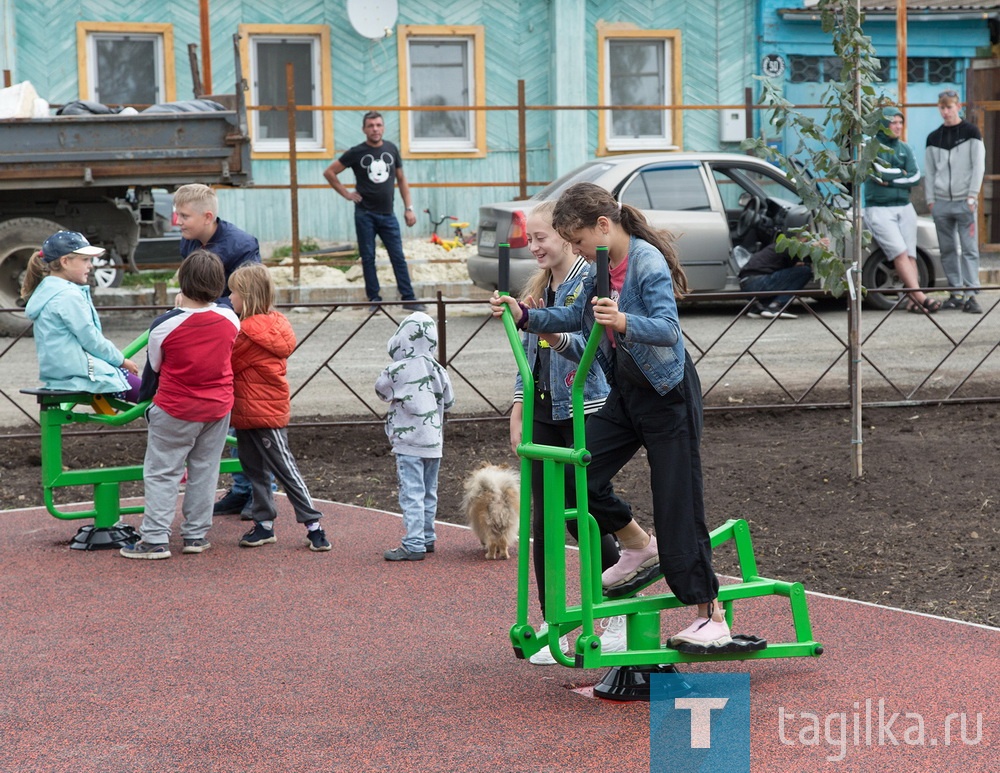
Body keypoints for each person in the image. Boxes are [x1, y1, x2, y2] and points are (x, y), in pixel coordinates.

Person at [490, 182, 742, 653]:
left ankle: (713, 616)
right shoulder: (597, 272)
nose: (579, 251)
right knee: (573, 474)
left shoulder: (645, 262)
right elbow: (572, 318)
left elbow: (668, 331)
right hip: (627, 394)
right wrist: (524, 315)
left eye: (580, 241)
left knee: (677, 505)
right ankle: (637, 546)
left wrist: (622, 321)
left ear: (603, 227)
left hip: (668, 396)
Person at [508, 201, 626, 664]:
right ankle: (552, 619)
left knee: (583, 514)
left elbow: (591, 351)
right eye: (530, 239)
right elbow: (528, 355)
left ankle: (615, 611)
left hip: (580, 407)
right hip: (542, 409)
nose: (534, 246)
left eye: (542, 237)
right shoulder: (540, 287)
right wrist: (518, 406)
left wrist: (551, 333)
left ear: (564, 235)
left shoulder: (585, 285)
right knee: (544, 519)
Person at [120, 250, 240, 559]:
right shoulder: (229, 319)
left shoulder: (163, 326)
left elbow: (155, 367)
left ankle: (155, 538)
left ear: (182, 282)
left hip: (176, 408)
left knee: (163, 471)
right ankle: (196, 535)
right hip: (217, 406)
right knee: (205, 469)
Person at [173, 183, 265, 516]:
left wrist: (202, 304)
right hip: (208, 332)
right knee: (226, 414)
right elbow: (191, 280)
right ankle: (240, 489)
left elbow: (250, 293)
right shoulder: (190, 240)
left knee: (247, 414)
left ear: (207, 216)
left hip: (238, 334)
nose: (178, 222)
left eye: (184, 215)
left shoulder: (240, 245)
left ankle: (258, 492)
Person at [228, 264, 331, 553]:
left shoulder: (247, 333)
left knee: (284, 469)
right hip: (250, 410)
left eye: (233, 292)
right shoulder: (273, 324)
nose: (229, 297)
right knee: (254, 469)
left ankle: (314, 526)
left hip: (262, 413)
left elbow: (227, 360)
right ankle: (264, 524)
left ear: (246, 296)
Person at [323, 111, 425, 312]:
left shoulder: (391, 149)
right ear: (364, 129)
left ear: (383, 127)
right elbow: (330, 172)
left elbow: (402, 179)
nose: (375, 129)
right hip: (365, 214)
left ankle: (409, 298)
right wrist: (346, 194)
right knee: (368, 257)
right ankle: (374, 301)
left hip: (388, 214)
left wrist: (409, 208)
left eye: (378, 125)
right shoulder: (356, 152)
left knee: (397, 256)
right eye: (371, 126)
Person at [22, 230, 141, 400]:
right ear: (65, 262)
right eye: (85, 259)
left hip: (61, 375)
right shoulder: (67, 295)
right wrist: (121, 360)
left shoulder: (47, 291)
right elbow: (92, 339)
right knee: (154, 397)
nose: (90, 265)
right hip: (84, 375)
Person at [375, 311, 454, 561]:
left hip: (408, 444)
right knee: (429, 491)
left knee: (411, 492)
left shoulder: (397, 368)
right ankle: (427, 537)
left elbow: (381, 390)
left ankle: (413, 543)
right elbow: (450, 401)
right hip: (433, 442)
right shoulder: (438, 369)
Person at [862, 107, 939, 314]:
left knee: (911, 255)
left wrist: (893, 180)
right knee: (900, 252)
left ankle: (914, 302)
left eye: (900, 122)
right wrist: (901, 175)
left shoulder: (905, 148)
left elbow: (915, 177)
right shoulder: (871, 147)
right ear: (883, 125)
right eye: (893, 122)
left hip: (905, 207)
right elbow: (878, 174)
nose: (897, 126)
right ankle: (922, 297)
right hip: (879, 209)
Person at [925, 89, 987, 313]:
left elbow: (978, 166)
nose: (945, 112)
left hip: (964, 201)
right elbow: (930, 171)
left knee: (969, 248)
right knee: (948, 249)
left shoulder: (971, 132)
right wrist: (931, 200)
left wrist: (972, 195)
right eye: (942, 107)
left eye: (949, 107)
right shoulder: (934, 137)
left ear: (958, 107)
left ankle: (971, 293)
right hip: (941, 202)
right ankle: (956, 292)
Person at [739, 241, 813, 320]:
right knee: (805, 271)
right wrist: (814, 246)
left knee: (786, 278)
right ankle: (776, 306)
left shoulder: (776, 246)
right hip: (757, 283)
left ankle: (760, 308)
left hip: (746, 284)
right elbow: (798, 251)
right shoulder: (786, 245)